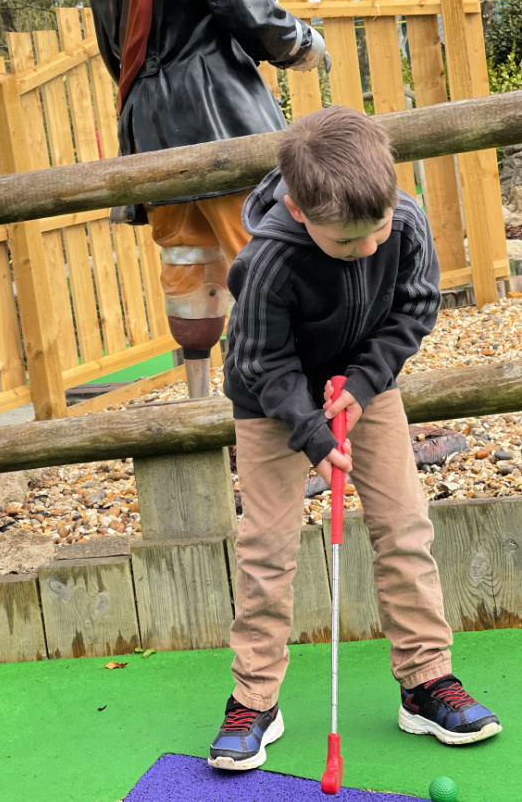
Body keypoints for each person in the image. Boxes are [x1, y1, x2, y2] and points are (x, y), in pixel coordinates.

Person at [209, 105, 502, 771]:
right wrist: (312, 433)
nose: (368, 249)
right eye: (347, 244)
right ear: (299, 208)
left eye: (378, 232)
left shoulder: (404, 218)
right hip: (270, 395)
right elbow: (259, 358)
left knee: (403, 523)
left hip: (364, 380)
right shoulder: (271, 257)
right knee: (268, 543)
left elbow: (416, 305)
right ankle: (255, 698)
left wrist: (365, 384)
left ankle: (426, 680)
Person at [56, 0, 330, 396]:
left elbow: (114, 55)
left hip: (148, 127)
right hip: (219, 114)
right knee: (278, 253)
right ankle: (304, 410)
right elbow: (248, 10)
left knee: (188, 265)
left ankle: (202, 408)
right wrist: (303, 45)